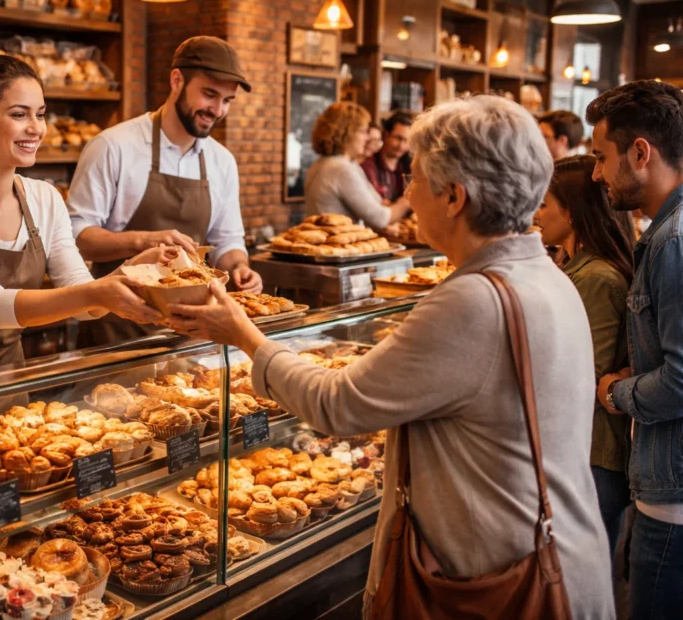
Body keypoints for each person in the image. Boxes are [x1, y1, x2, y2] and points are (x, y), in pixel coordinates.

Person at [169, 96, 614, 619]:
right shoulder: (548, 276)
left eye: (415, 179)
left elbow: (337, 405)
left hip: (496, 585)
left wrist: (244, 334)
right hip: (560, 553)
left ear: (454, 197)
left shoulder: (473, 300)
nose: (406, 193)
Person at [0, 55, 164, 369]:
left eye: (40, 115)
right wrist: (100, 292)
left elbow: (81, 299)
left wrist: (130, 271)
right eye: (19, 114)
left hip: (10, 378)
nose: (36, 129)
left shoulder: (45, 198)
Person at [66, 36, 261, 294]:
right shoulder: (113, 146)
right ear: (177, 80)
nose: (217, 110)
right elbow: (77, 238)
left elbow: (227, 240)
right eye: (209, 95)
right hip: (118, 322)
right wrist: (143, 241)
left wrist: (239, 267)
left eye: (227, 100)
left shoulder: (222, 161)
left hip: (194, 323)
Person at [591, 80, 683, 620]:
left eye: (602, 157)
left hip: (671, 500)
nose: (597, 173)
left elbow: (680, 381)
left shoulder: (671, 242)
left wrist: (615, 392)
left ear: (641, 153)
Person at [534, 155, 634, 565]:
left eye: (544, 204)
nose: (536, 214)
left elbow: (581, 378)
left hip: (592, 456)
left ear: (572, 213)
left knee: (577, 583)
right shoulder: (575, 266)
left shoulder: (596, 277)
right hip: (582, 451)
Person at [304, 101, 410, 231]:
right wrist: (406, 201)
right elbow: (380, 218)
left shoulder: (327, 163)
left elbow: (375, 205)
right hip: (339, 247)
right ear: (347, 133)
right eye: (364, 131)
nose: (367, 138)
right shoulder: (341, 169)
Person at [360, 110, 412, 201]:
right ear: (386, 135)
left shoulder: (409, 167)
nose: (402, 145)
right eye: (398, 138)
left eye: (406, 141)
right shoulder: (368, 166)